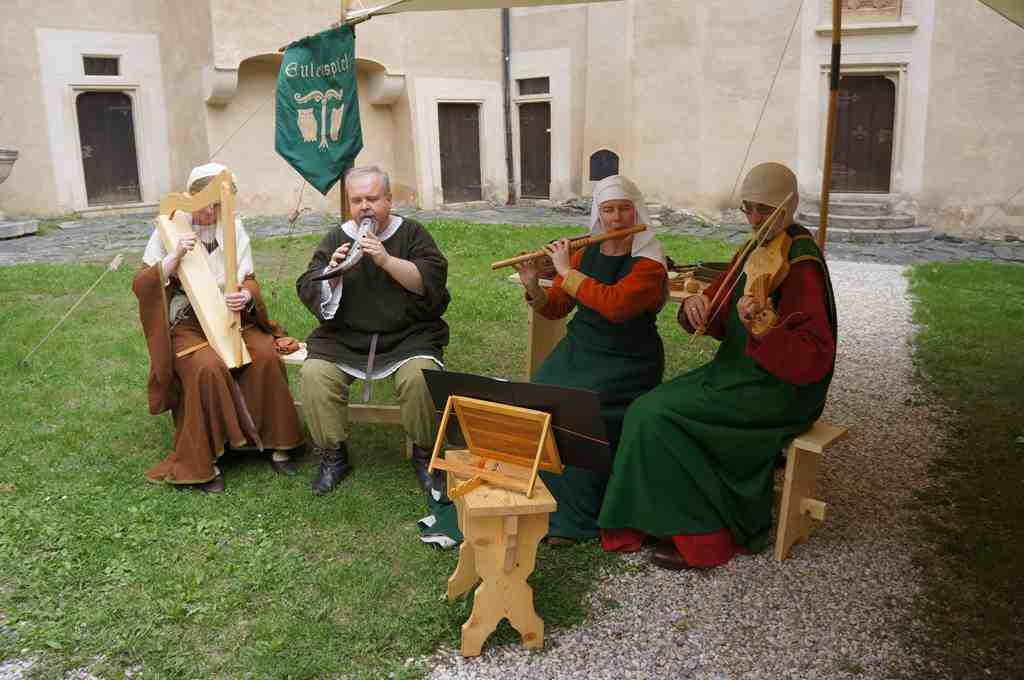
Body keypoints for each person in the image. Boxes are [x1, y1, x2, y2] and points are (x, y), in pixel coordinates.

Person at [599, 162, 837, 570]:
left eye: (765, 209)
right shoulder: (755, 249)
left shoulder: (803, 265)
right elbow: (719, 305)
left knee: (657, 416)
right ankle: (656, 519)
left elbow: (814, 357)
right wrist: (697, 307)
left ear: (791, 205)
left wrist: (764, 332)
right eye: (749, 209)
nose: (756, 219)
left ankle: (707, 537)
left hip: (782, 389)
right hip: (737, 373)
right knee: (647, 408)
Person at [417, 174, 668, 549]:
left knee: (575, 411)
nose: (616, 219)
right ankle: (519, 496)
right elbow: (556, 310)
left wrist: (566, 272)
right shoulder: (587, 253)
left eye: (623, 210)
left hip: (627, 361)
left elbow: (615, 306)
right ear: (599, 214)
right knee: (534, 401)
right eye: (608, 210)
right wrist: (534, 284)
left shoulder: (649, 266)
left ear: (637, 211)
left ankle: (572, 517)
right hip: (580, 350)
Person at [134, 162, 304, 492]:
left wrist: (245, 296)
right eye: (205, 205)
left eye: (218, 206)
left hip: (231, 317)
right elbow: (144, 284)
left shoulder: (234, 228)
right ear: (191, 199)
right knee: (206, 367)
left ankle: (276, 442)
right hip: (186, 323)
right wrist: (175, 256)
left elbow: (249, 279)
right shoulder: (167, 229)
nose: (210, 213)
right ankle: (205, 457)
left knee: (265, 356)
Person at [296, 166, 450, 496]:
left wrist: (385, 260)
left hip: (407, 335)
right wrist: (332, 273)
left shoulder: (412, 234)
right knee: (315, 374)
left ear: (389, 201)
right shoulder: (337, 237)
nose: (364, 207)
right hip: (347, 337)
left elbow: (432, 282)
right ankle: (333, 457)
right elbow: (309, 283)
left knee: (420, 377)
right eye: (357, 200)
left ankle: (426, 456)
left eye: (372, 198)